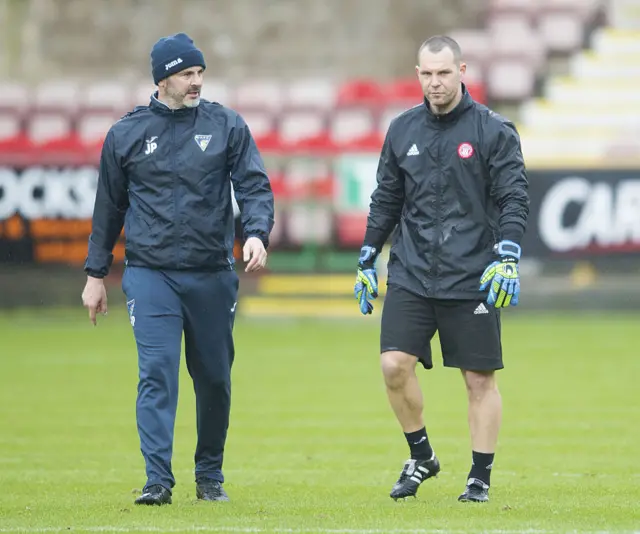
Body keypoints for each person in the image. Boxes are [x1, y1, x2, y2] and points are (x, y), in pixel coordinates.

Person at [81, 33, 274, 506]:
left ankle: (209, 475)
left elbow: (254, 186)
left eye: (199, 73)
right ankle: (157, 481)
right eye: (187, 74)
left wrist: (255, 232)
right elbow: (108, 210)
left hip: (211, 273)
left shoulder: (227, 125)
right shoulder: (126, 134)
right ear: (163, 78)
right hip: (150, 274)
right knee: (157, 372)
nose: (197, 82)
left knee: (213, 378)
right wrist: (94, 275)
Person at [354, 35, 529, 503]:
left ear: (462, 71)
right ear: (418, 75)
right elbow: (386, 199)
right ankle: (423, 457)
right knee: (393, 365)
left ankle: (479, 477)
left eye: (444, 73)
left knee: (478, 379)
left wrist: (507, 254)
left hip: (472, 273)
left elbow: (514, 197)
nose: (435, 82)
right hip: (412, 270)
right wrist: (368, 254)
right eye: (427, 74)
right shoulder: (402, 130)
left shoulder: (493, 131)